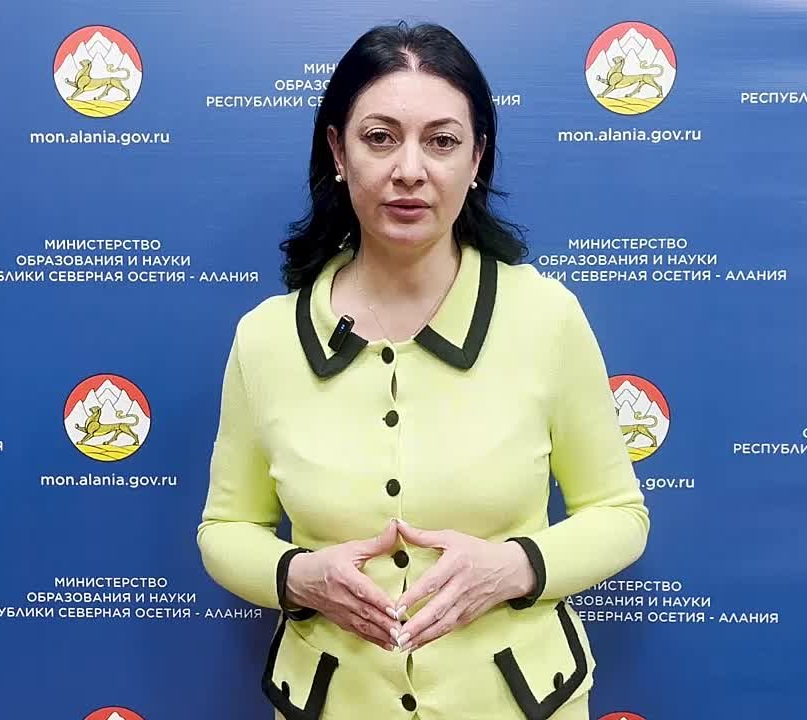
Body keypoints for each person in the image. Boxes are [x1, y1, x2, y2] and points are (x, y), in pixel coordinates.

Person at [197, 20, 650, 720]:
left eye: (441, 141)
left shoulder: (546, 317)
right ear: (337, 151)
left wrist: (515, 568)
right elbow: (226, 529)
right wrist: (299, 576)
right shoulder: (265, 339)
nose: (410, 169)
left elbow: (620, 515)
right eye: (380, 138)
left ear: (477, 159)